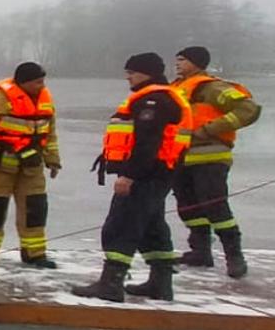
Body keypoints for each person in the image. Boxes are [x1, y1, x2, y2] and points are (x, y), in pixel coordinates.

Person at [72, 53, 192, 302]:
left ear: (147, 73)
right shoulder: (166, 97)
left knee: (121, 225)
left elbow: (147, 144)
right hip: (161, 174)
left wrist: (129, 176)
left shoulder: (153, 101)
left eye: (131, 72)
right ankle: (160, 283)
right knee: (152, 227)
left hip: (145, 175)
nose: (128, 77)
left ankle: (111, 283)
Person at [169, 46, 261, 277]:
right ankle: (200, 252)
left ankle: (234, 256)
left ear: (197, 63)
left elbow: (248, 109)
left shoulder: (212, 88)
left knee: (215, 206)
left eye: (182, 60)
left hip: (210, 156)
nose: (177, 64)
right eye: (177, 60)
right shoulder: (176, 88)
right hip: (180, 157)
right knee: (188, 206)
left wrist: (209, 129)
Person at [0, 61, 61, 267]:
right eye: (37, 82)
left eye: (43, 81)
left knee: (35, 210)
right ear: (23, 82)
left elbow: (49, 133)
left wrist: (53, 160)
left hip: (32, 166)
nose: (42, 86)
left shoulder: (45, 101)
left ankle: (35, 254)